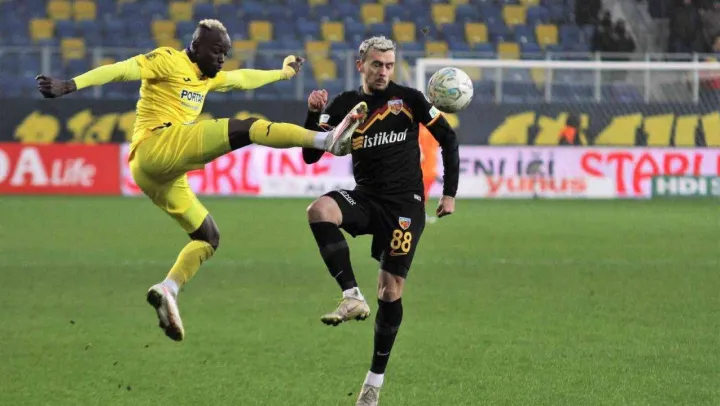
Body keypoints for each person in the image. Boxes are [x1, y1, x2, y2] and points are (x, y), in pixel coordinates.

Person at [35, 19, 367, 342]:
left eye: (226, 53)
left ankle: (168, 289)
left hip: (156, 174)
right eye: (216, 51)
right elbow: (122, 69)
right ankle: (325, 140)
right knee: (247, 127)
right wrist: (70, 85)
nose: (222, 59)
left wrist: (284, 73)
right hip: (155, 145)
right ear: (196, 46)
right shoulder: (168, 60)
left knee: (208, 237)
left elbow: (242, 78)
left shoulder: (206, 77)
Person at [302, 36, 460, 406]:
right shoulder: (345, 104)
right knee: (319, 210)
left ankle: (372, 384)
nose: (383, 72)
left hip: (405, 205)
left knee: (390, 291)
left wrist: (449, 193)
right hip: (367, 198)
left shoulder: (410, 100)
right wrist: (312, 115)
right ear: (361, 65)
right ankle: (351, 296)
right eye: (377, 64)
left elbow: (448, 139)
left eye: (389, 65)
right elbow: (311, 156)